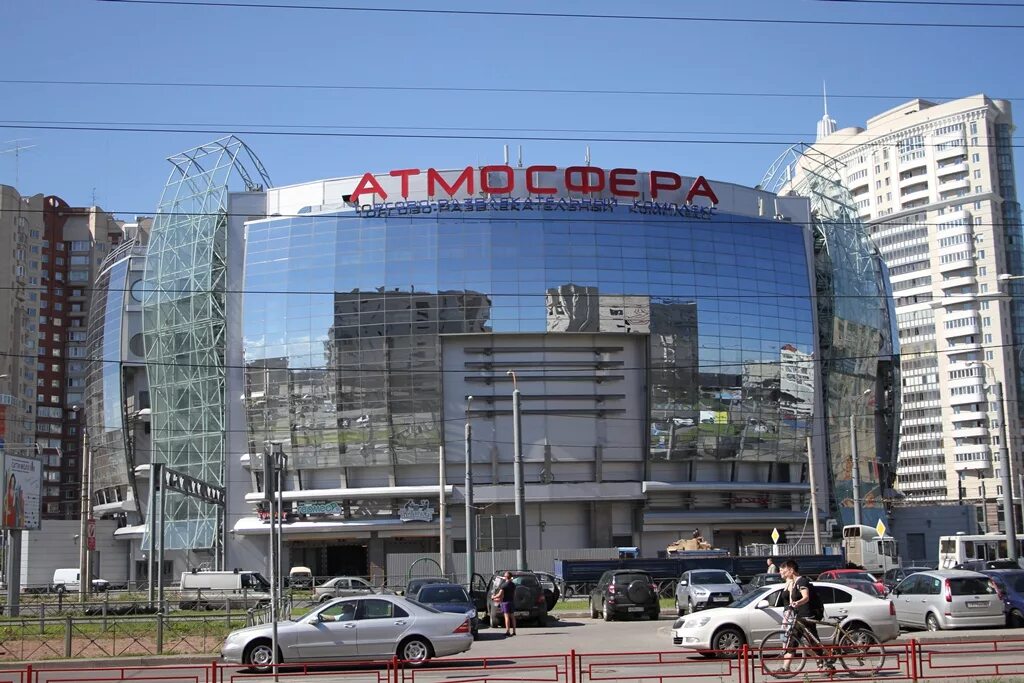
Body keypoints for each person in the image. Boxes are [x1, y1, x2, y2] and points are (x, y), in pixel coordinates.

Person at [779, 558, 831, 672]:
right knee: (793, 640)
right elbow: (790, 600)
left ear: (791, 570)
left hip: (808, 616)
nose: (783, 573)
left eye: (785, 570)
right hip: (799, 617)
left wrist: (797, 603)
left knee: (813, 642)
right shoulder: (793, 583)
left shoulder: (802, 581)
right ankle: (785, 668)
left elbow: (806, 597)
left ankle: (825, 662)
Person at [492, 571, 517, 636]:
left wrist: (493, 597)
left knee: (507, 617)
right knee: (512, 617)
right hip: (511, 601)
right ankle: (514, 631)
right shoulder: (513, 584)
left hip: (505, 602)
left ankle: (508, 631)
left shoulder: (504, 585)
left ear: (506, 577)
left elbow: (499, 595)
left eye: (505, 576)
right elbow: (513, 593)